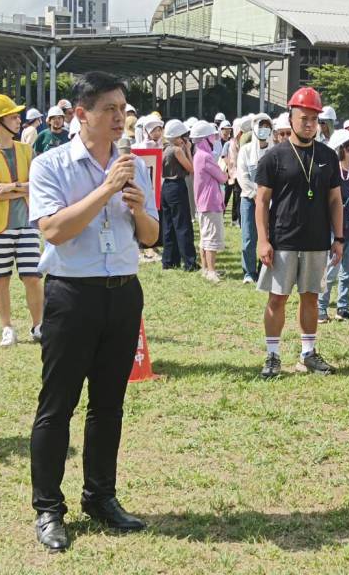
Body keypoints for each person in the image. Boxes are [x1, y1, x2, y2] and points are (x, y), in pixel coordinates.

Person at [27, 71, 159, 552]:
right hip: (71, 295)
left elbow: (149, 237)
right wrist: (105, 191)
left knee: (109, 405)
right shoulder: (51, 165)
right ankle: (48, 509)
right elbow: (54, 231)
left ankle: (101, 496)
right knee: (57, 405)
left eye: (123, 108)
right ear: (81, 114)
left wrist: (139, 208)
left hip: (122, 293)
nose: (120, 117)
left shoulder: (133, 165)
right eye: (110, 109)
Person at [255, 87, 343, 378]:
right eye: (304, 118)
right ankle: (272, 355)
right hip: (282, 240)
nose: (309, 124)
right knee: (277, 298)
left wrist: (339, 238)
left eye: (314, 119)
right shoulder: (274, 157)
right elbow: (261, 201)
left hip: (317, 241)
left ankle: (307, 354)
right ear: (291, 118)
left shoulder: (328, 156)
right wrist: (263, 240)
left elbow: (335, 200)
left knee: (311, 297)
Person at [0, 94, 43, 347]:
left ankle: (38, 326)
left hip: (27, 223)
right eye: (13, 116)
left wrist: (10, 188)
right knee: (0, 278)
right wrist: (21, 187)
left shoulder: (26, 150)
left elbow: (38, 185)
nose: (18, 120)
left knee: (33, 277)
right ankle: (7, 328)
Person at [318, 129, 349, 323]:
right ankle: (322, 306)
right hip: (334, 230)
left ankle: (343, 307)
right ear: (342, 148)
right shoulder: (329, 171)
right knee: (330, 270)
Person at [237, 113, 273, 283]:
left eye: (267, 126)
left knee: (266, 235)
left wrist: (266, 197)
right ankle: (249, 272)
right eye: (261, 126)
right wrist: (254, 195)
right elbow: (242, 176)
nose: (264, 130)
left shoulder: (274, 151)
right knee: (248, 237)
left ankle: (264, 269)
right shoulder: (245, 150)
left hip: (270, 201)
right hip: (249, 200)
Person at [191, 119, 227, 282]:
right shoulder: (206, 156)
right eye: (211, 137)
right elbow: (221, 177)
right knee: (211, 237)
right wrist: (226, 174)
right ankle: (211, 271)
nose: (213, 140)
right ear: (204, 139)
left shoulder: (197, 154)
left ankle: (206, 269)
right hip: (210, 201)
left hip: (202, 202)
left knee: (204, 238)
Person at [160, 119, 197, 271]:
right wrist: (187, 149)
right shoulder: (176, 150)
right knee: (183, 225)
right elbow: (190, 168)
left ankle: (169, 260)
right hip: (177, 186)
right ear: (177, 136)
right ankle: (189, 262)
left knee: (168, 225)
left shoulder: (164, 149)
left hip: (166, 187)